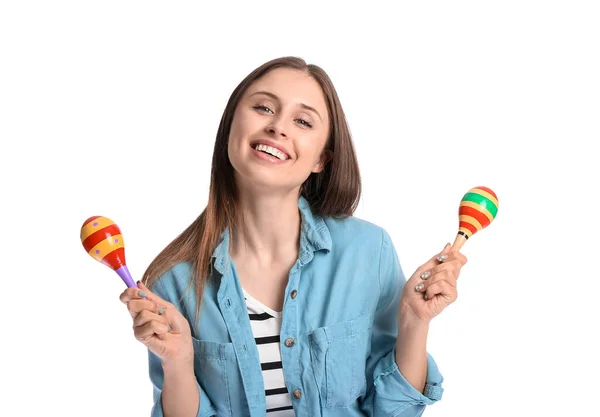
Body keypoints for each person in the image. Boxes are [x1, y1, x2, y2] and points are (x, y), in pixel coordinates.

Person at [119, 56, 467, 417]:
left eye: (302, 121)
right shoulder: (173, 279)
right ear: (231, 126)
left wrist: (414, 320)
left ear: (322, 158)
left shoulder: (368, 251)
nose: (278, 127)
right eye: (263, 107)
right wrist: (177, 362)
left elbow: (394, 411)